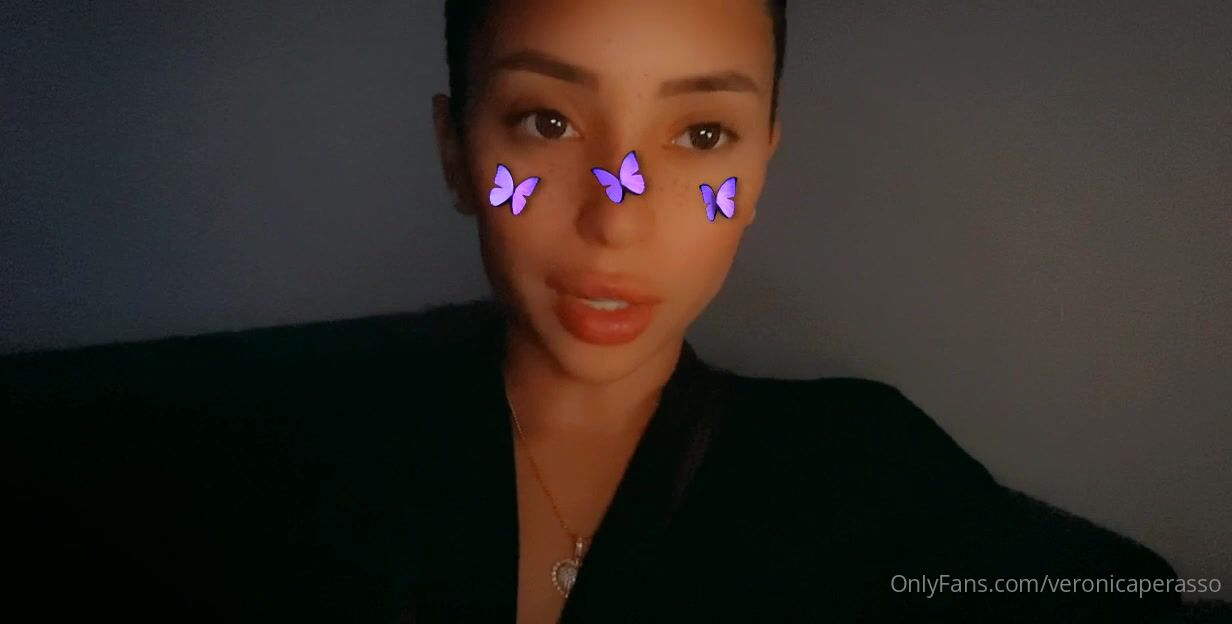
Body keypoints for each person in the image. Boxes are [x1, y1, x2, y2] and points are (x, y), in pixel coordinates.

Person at [1, 1, 1207, 622]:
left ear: (763, 166)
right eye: (545, 121)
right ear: (456, 149)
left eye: (699, 136)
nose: (616, 220)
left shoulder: (864, 475)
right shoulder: (268, 456)